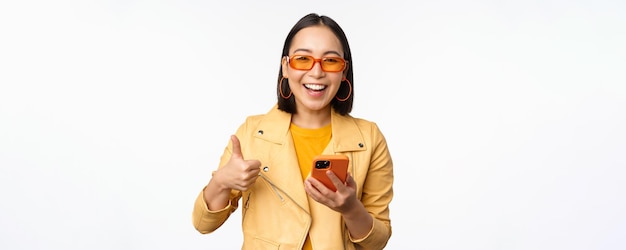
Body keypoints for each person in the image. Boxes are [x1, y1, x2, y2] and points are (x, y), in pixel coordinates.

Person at [192, 13, 394, 250]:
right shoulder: (252, 133)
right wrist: (222, 181)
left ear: (343, 72)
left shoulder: (369, 139)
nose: (316, 72)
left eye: (330, 61)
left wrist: (350, 209)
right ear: (286, 67)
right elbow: (203, 224)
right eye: (302, 59)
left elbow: (377, 242)